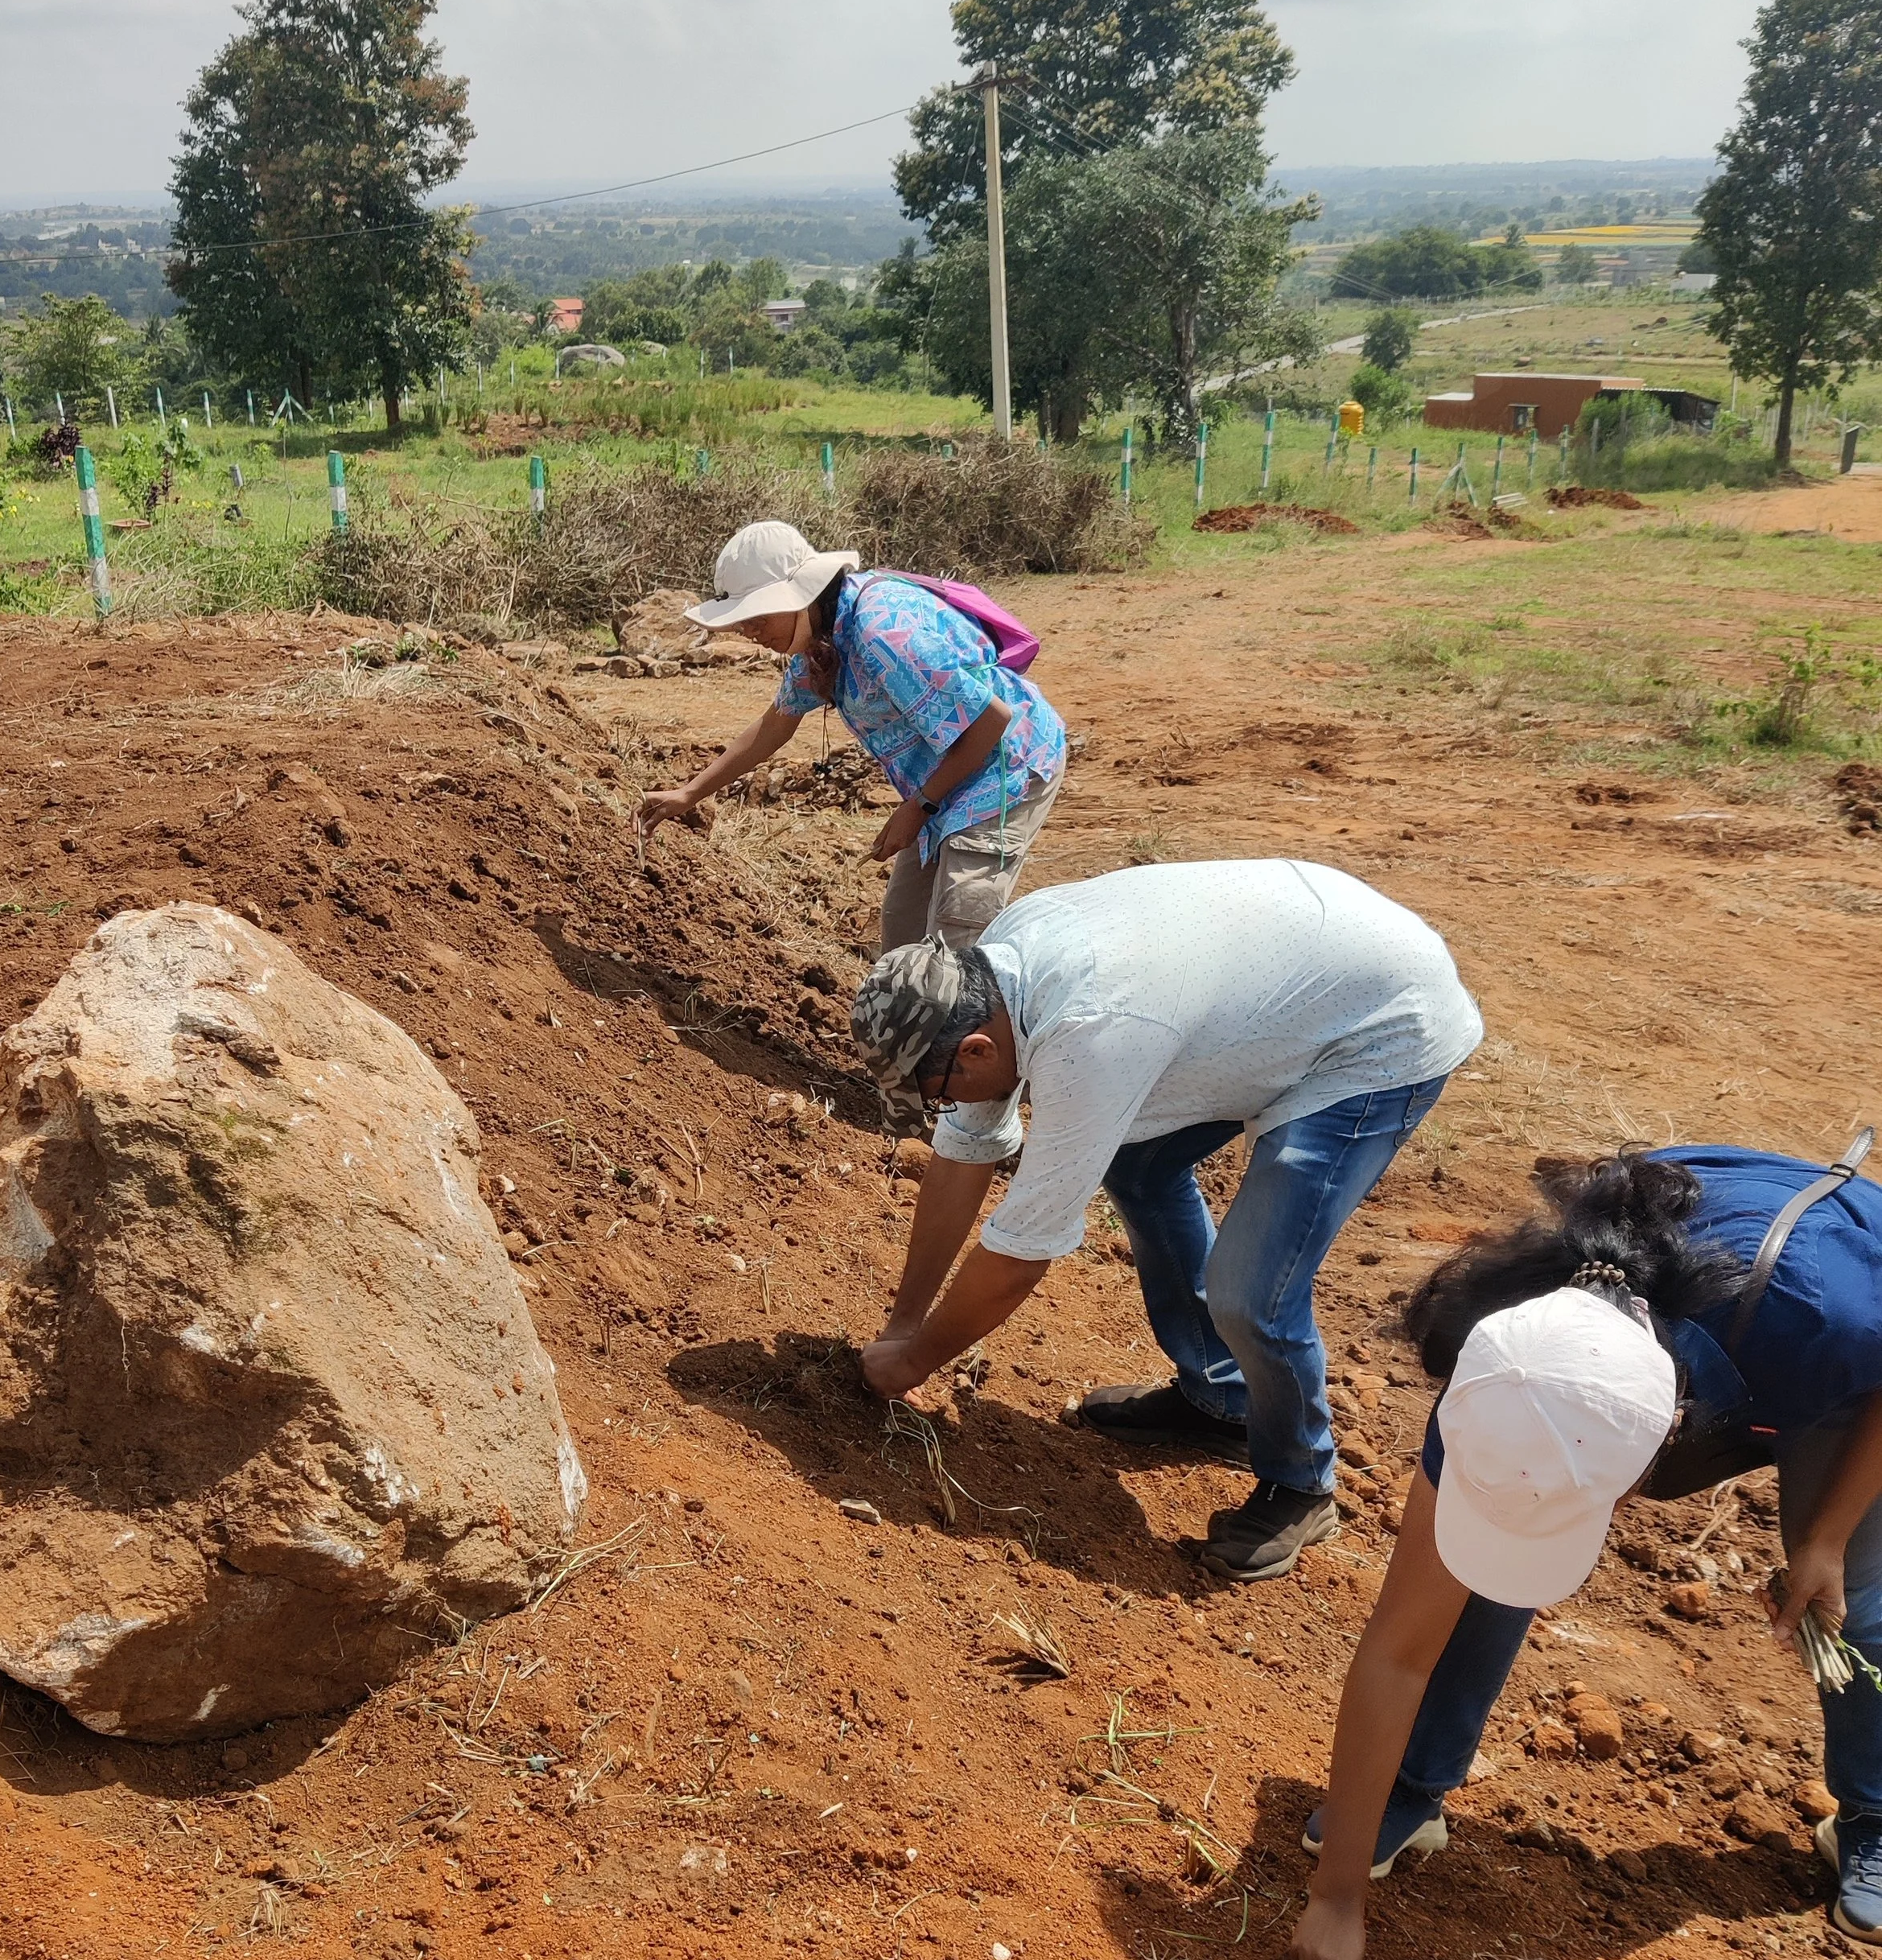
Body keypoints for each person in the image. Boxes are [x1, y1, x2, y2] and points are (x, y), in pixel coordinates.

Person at [1287, 1141, 1882, 1960]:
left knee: (1860, 1610)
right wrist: (1334, 1897)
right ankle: (1413, 1789)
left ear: (1667, 1441)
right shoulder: (1511, 1373)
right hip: (1690, 1327)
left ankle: (1874, 1812)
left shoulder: (1827, 1325)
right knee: (1497, 1544)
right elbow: (1398, 1645)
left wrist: (1827, 1536)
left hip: (1834, 1345)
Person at [848, 859, 1484, 1581]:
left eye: (938, 1091)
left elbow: (1020, 1255)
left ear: (975, 1050)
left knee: (1253, 1290)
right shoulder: (990, 981)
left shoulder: (1090, 1032)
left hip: (1376, 1029)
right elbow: (964, 1154)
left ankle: (1302, 1482)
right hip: (1280, 989)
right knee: (1139, 1164)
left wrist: (916, 1359)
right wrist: (904, 1322)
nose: (945, 1107)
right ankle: (1220, 1396)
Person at [635, 521, 1066, 949]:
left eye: (757, 618)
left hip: (1004, 771)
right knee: (904, 930)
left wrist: (919, 807)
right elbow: (776, 725)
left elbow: (991, 722)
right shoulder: (823, 641)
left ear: (800, 597)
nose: (750, 633)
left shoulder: (885, 635)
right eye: (743, 623)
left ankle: (988, 1014)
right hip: (943, 782)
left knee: (958, 933)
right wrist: (690, 793)